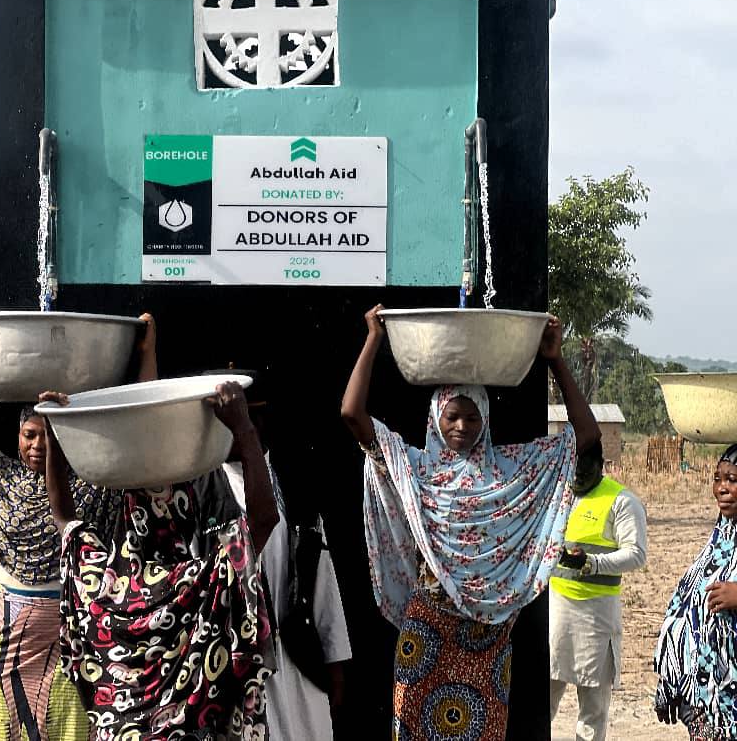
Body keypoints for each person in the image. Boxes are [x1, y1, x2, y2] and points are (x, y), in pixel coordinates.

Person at [341, 305, 600, 739]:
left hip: (487, 635)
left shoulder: (511, 471)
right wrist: (373, 338)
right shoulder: (415, 469)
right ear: (435, 419)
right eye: (452, 416)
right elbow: (352, 414)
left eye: (472, 416)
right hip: (427, 631)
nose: (462, 426)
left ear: (485, 420)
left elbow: (586, 435)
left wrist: (555, 360)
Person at [0, 312, 154, 741]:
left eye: (49, 435)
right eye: (30, 434)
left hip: (73, 640)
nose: (38, 446)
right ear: (18, 435)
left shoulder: (93, 485)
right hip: (6, 635)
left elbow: (138, 432)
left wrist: (146, 351)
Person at [53, 380, 280, 739]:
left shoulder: (97, 581)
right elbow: (264, 520)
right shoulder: (197, 585)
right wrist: (243, 427)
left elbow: (63, 516)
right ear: (184, 517)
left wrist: (56, 432)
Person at [216, 368, 351, 739]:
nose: (245, 432)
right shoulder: (205, 491)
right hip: (236, 661)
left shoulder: (294, 483)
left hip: (295, 654)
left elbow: (319, 573)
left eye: (251, 420)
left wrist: (334, 664)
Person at [549, 440, 648, 741]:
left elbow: (636, 554)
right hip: (556, 614)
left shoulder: (622, 501)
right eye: (572, 469)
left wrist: (590, 562)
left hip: (596, 619)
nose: (577, 476)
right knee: (544, 702)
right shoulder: (560, 496)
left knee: (592, 713)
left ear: (601, 465)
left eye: (584, 469)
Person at [654, 443, 737, 739]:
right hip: (707, 699)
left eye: (733, 480)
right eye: (718, 478)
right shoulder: (721, 540)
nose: (722, 489)